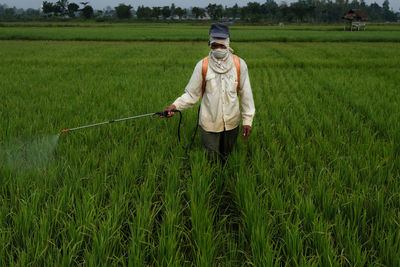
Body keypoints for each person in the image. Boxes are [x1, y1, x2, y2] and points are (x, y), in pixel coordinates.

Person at [164, 23, 255, 161]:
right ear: (210, 44)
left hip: (232, 120)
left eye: (222, 45)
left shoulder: (239, 64)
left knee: (228, 156)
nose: (218, 49)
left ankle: (225, 178)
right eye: (214, 46)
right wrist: (174, 106)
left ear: (228, 44)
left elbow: (246, 94)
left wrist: (247, 120)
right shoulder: (203, 65)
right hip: (209, 121)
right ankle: (212, 177)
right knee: (211, 157)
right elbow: (192, 94)